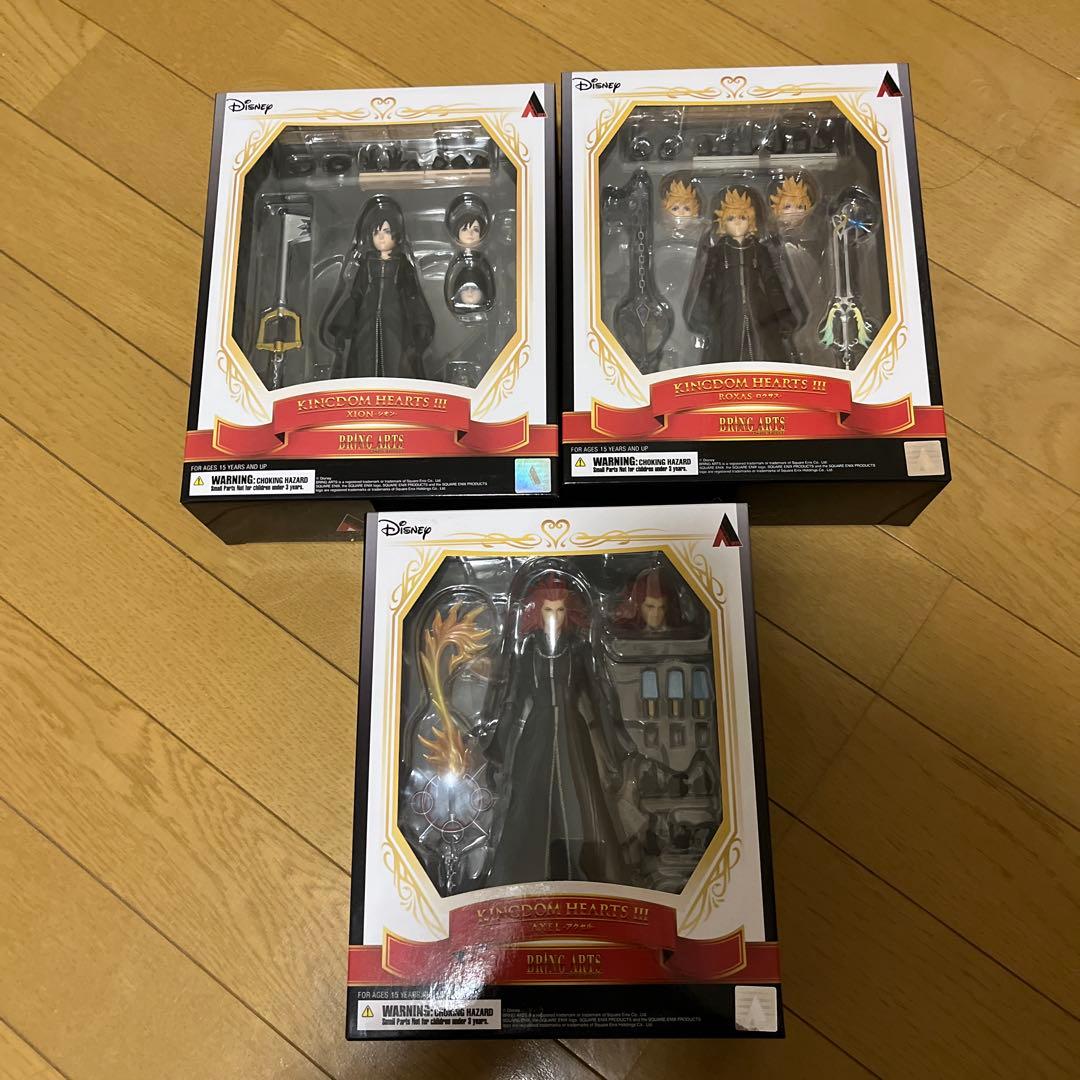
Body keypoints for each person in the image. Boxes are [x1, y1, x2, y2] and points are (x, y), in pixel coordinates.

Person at [485, 574, 633, 886]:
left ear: (569, 612)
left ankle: (594, 876)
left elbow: (598, 699)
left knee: (583, 800)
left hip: (572, 733)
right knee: (528, 801)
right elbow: (511, 700)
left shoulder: (578, 649)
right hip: (537, 734)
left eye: (561, 609)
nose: (555, 616)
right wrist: (497, 748)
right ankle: (521, 875)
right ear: (538, 611)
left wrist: (614, 748)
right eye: (549, 609)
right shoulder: (527, 650)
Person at [321, 194, 434, 378]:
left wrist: (420, 323)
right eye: (376, 232)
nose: (381, 237)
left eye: (386, 231)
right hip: (367, 316)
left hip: (396, 316)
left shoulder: (403, 264)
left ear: (396, 235)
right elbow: (355, 295)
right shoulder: (366, 264)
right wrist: (342, 326)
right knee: (364, 355)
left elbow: (412, 295)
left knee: (396, 355)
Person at [685, 186, 799, 366]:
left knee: (767, 348)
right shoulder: (717, 253)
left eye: (743, 217)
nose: (737, 223)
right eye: (731, 218)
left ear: (751, 220)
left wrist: (784, 315)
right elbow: (707, 284)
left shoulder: (759, 251)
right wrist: (700, 316)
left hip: (760, 311)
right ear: (723, 223)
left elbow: (773, 284)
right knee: (725, 350)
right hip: (726, 311)